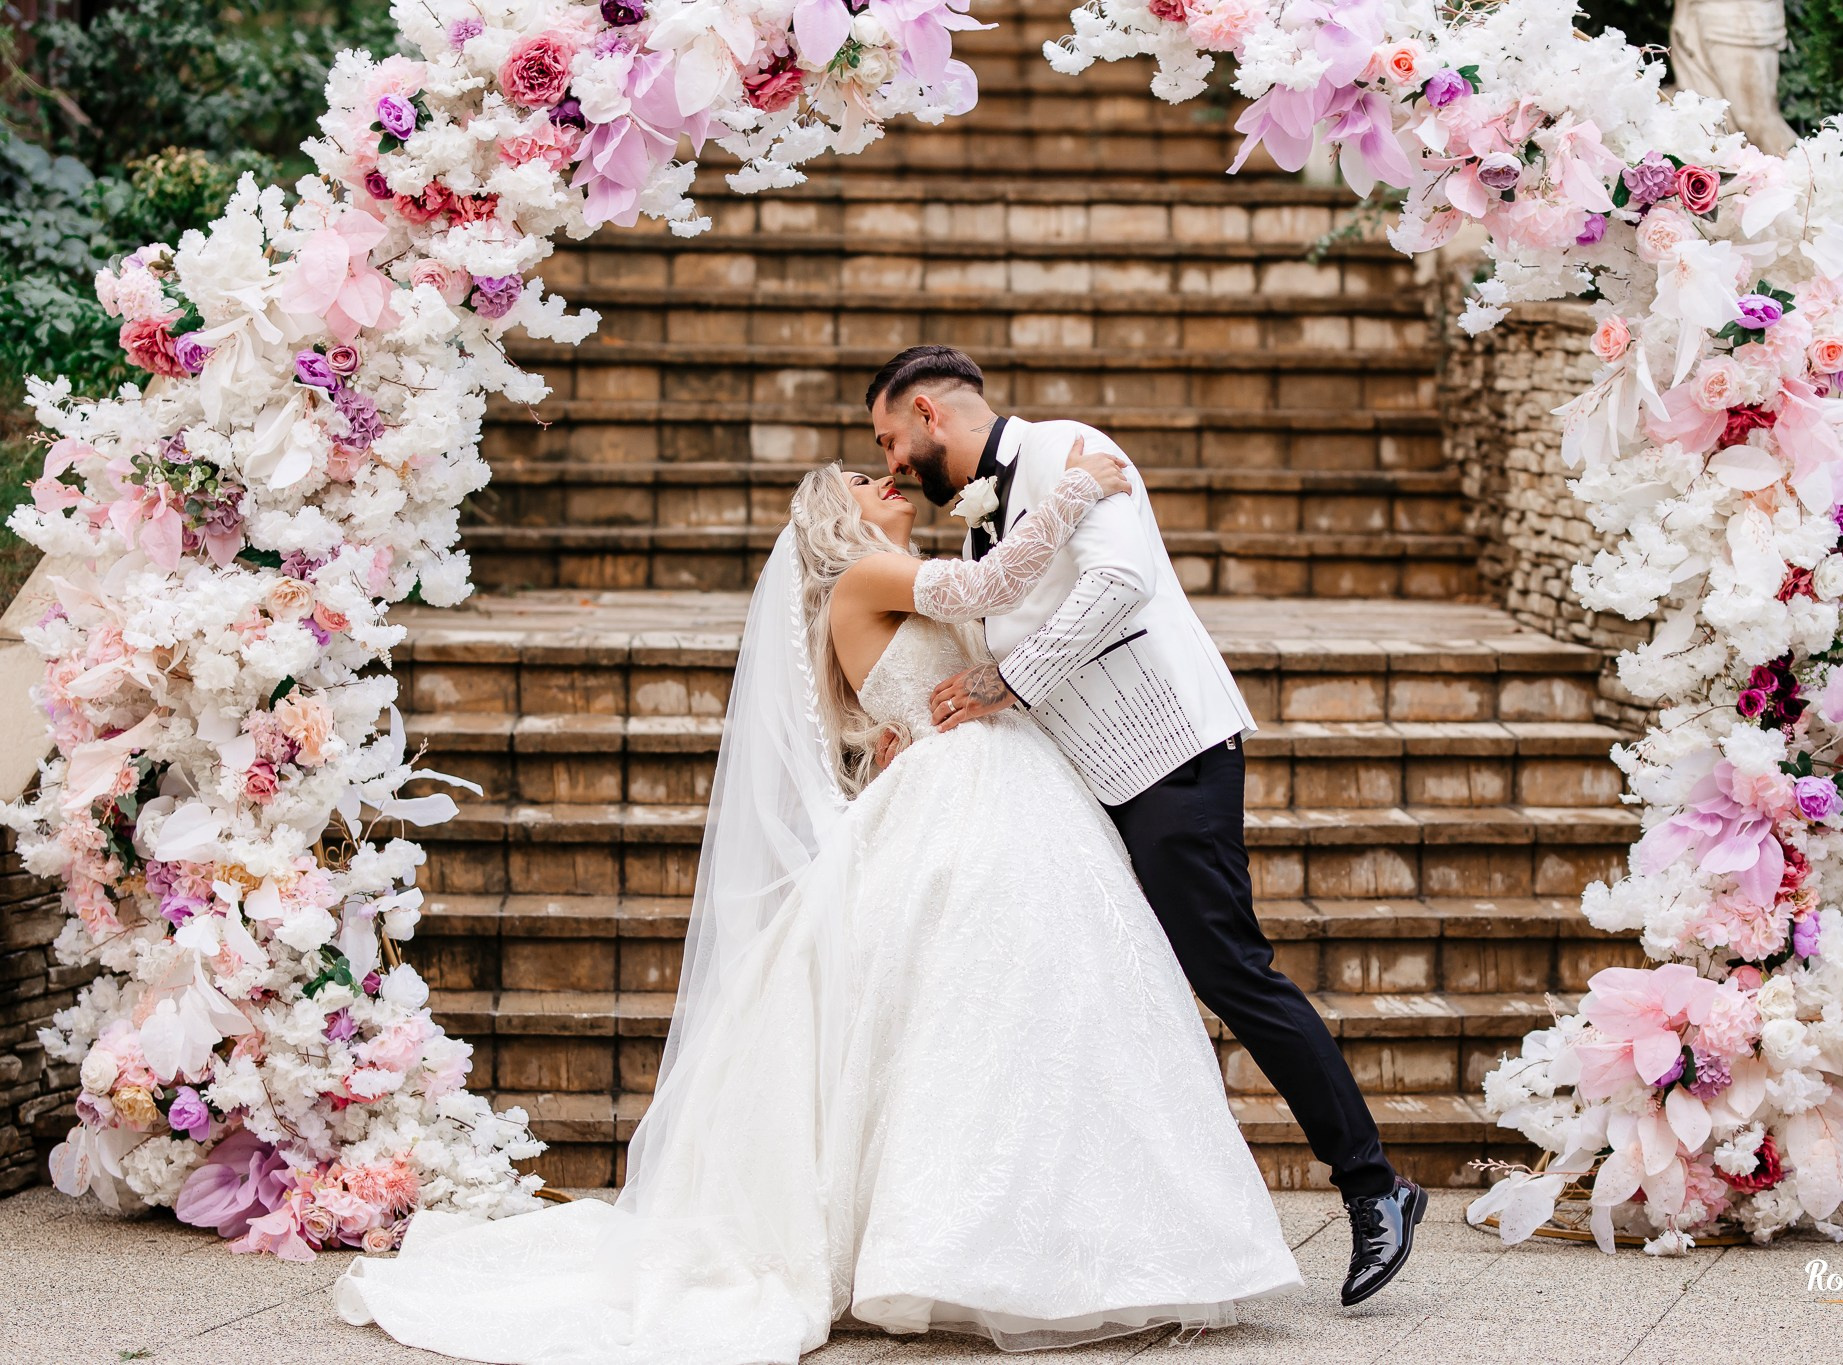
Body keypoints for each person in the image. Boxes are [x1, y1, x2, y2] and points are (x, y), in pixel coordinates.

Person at [332, 441, 1302, 1363]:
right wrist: (1078, 488)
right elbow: (984, 589)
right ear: (836, 517)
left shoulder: (882, 584)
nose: (888, 480)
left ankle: (1042, 1237)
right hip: (964, 796)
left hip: (990, 785)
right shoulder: (865, 577)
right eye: (863, 481)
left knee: (1023, 1011)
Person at [866, 344, 1426, 1307]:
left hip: (1168, 751)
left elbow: (1120, 582)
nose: (890, 462)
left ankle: (1374, 1187)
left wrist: (1009, 680)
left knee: (1230, 969)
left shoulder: (1069, 451)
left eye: (888, 438)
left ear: (927, 413)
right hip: (1090, 777)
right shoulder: (980, 518)